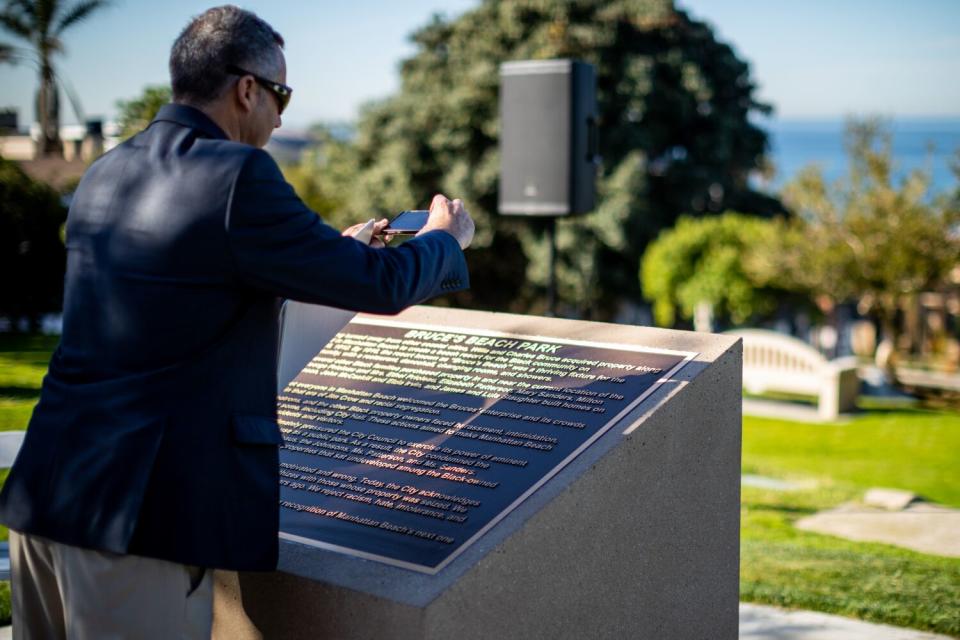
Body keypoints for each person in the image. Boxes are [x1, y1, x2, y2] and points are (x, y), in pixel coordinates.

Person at [0, 5, 474, 638]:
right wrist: (445, 239)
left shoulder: (107, 172)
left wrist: (331, 248)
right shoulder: (238, 176)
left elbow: (184, 298)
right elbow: (380, 285)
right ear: (247, 89)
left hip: (47, 496)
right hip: (137, 523)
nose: (281, 117)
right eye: (280, 95)